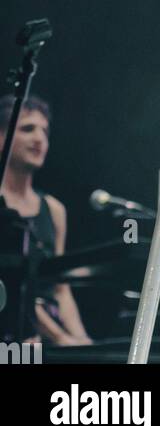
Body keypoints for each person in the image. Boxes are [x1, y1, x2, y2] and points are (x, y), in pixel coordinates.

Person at [0, 94, 93, 346]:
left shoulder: (54, 210)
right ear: (2, 139)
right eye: (28, 129)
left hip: (48, 339)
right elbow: (14, 289)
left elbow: (61, 290)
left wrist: (82, 341)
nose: (39, 138)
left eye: (45, 131)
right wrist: (60, 337)